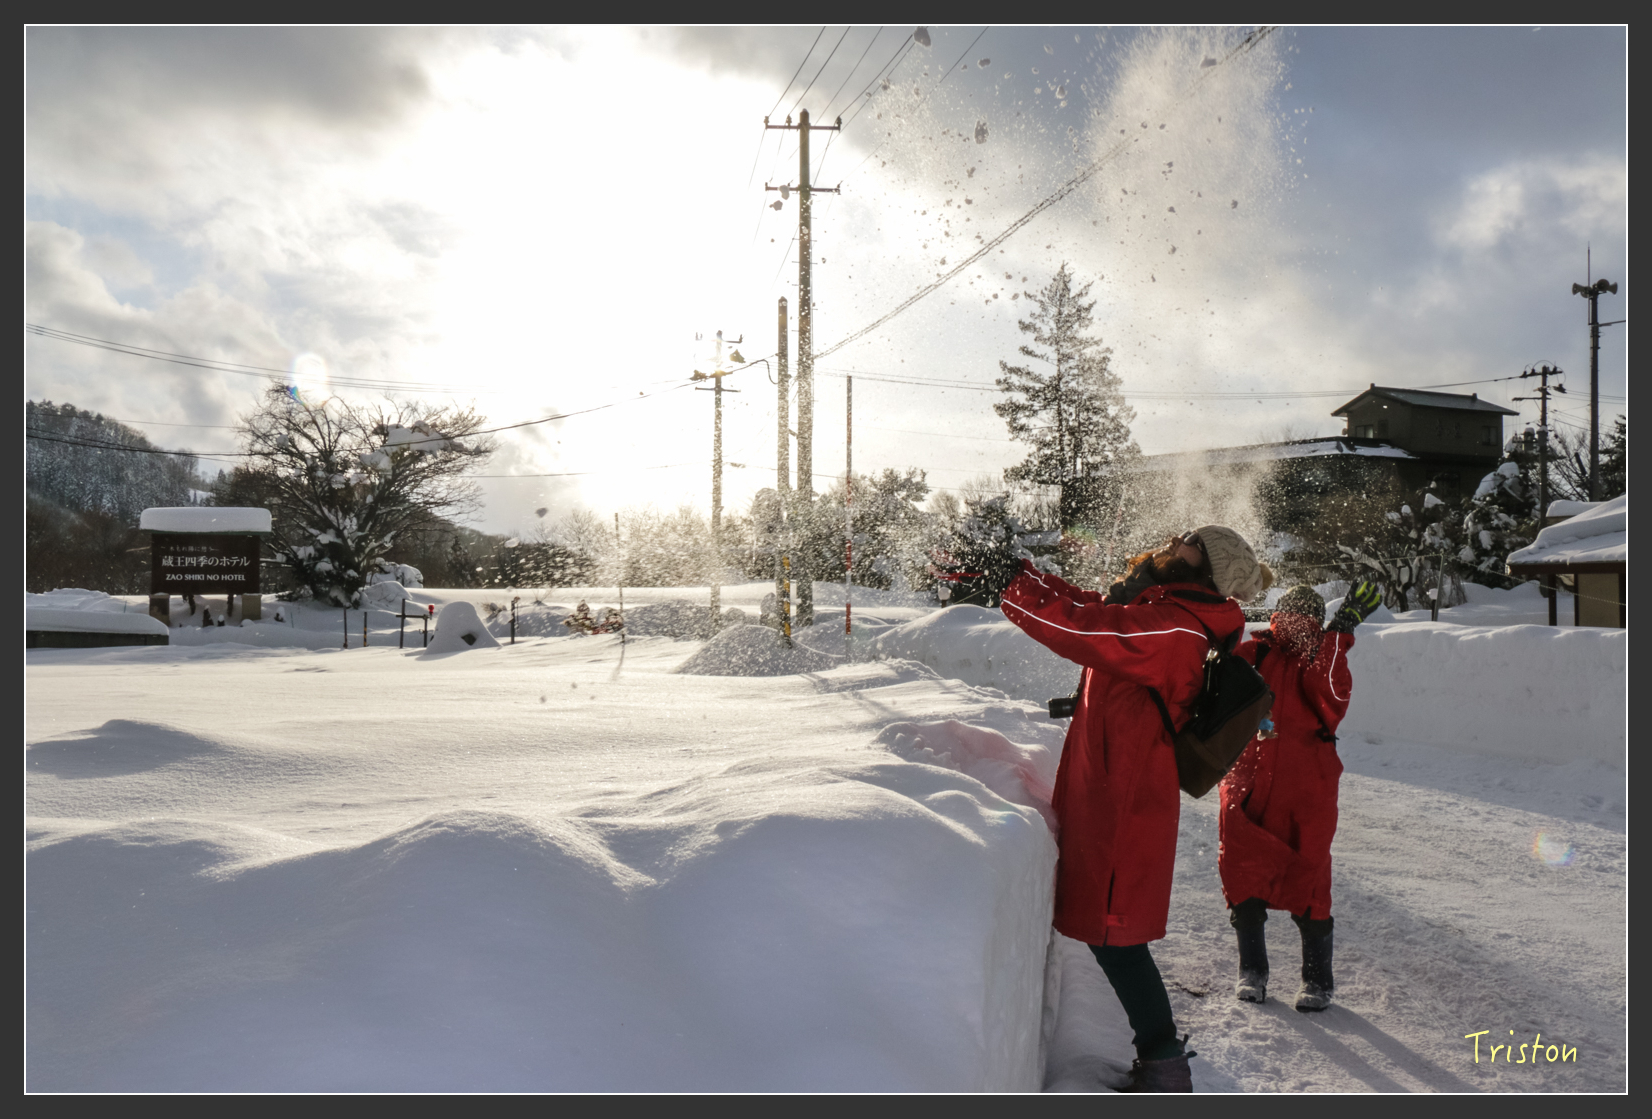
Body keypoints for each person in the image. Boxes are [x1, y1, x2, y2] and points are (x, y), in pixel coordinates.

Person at [1001, 525, 1273, 1093]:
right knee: (1112, 930)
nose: (1176, 544)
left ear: (1206, 570)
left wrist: (1009, 589)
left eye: (1190, 544)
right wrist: (1019, 573)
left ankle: (1164, 1063)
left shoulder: (1174, 628)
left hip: (1124, 797)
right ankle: (1161, 1054)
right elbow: (1091, 605)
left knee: (1115, 934)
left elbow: (1082, 628)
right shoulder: (1163, 610)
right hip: (1109, 783)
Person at [1219, 580, 1382, 1012]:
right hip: (1302, 785)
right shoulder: (1280, 654)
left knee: (1246, 873)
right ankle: (1316, 979)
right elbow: (1333, 692)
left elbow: (1216, 682)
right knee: (1307, 875)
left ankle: (1253, 971)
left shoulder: (1278, 653)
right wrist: (1341, 631)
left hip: (1255, 782)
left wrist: (1334, 635)